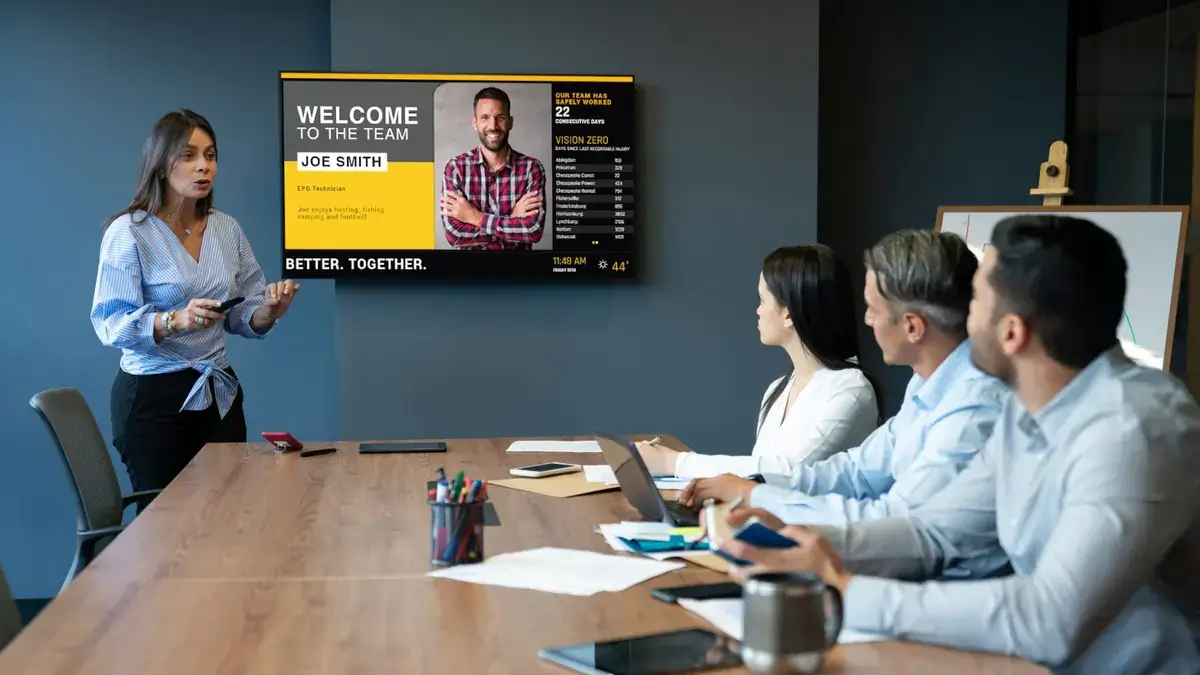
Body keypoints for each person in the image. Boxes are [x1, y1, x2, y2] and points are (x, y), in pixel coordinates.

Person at [718, 215, 1200, 675]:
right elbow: (932, 532)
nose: (959, 316)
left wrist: (847, 590)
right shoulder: (1027, 410)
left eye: (976, 301)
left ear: (1011, 333)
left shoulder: (1131, 428)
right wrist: (807, 541)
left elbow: (1049, 618)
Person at [681, 230, 1008, 534]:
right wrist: (759, 486)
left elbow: (898, 523)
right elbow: (857, 471)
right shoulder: (925, 385)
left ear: (912, 327)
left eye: (873, 309)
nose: (866, 319)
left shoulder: (971, 410)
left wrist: (761, 497)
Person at [91, 110, 300, 493]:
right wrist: (176, 320)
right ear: (161, 164)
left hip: (218, 393)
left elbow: (242, 313)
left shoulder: (227, 229)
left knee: (227, 509)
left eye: (211, 155)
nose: (204, 166)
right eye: (189, 155)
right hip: (152, 401)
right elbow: (110, 323)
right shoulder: (129, 233)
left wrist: (269, 312)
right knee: (165, 518)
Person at [634, 245, 881, 480]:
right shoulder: (778, 389)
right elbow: (758, 476)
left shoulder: (850, 389)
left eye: (762, 300)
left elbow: (785, 473)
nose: (758, 311)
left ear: (788, 313)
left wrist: (674, 463)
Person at [439, 86, 546, 250]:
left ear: (510, 122)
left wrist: (475, 218)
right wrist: (511, 220)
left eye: (500, 118)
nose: (493, 126)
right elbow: (454, 236)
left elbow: (533, 231)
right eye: (485, 117)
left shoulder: (531, 169)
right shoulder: (456, 168)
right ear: (475, 123)